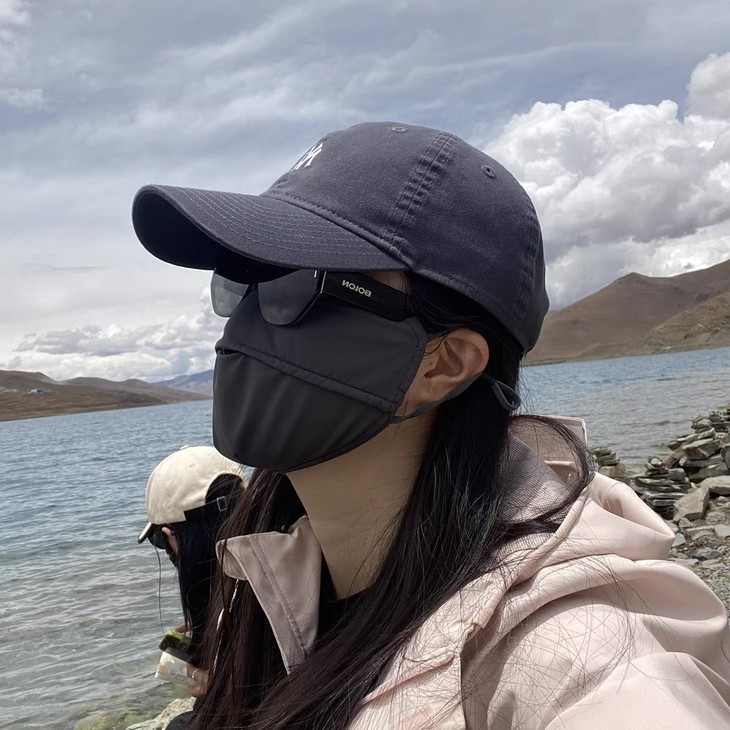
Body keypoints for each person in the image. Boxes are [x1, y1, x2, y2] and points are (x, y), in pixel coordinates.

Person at [131, 122, 730, 729]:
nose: (240, 329)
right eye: (243, 283)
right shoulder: (269, 578)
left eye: (292, 285)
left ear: (443, 363)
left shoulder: (579, 655)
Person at [138, 445, 245, 700]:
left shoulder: (237, 609)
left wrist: (215, 686)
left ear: (170, 534)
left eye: (159, 541)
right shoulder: (284, 556)